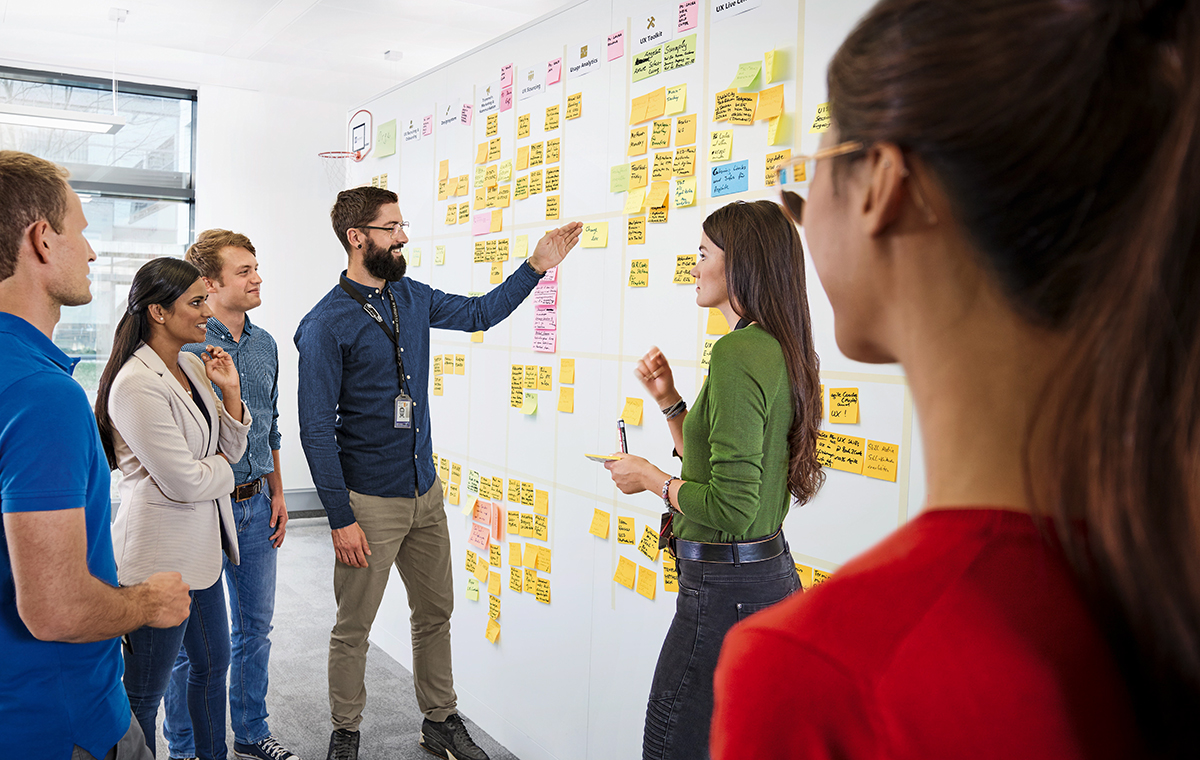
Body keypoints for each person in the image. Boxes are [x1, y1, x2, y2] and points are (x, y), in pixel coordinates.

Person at [712, 0, 1198, 757]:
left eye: (807, 183)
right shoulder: (1159, 579)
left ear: (882, 186)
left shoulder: (817, 670)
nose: (802, 222)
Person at [295, 186, 581, 760]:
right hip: (367, 501)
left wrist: (535, 266)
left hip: (423, 491)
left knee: (435, 614)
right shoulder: (325, 324)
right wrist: (340, 517)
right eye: (391, 227)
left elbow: (479, 312)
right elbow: (315, 430)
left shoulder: (411, 296)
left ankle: (440, 720)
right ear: (358, 238)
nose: (403, 236)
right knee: (355, 627)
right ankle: (345, 731)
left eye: (402, 225)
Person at [603, 200, 824, 760]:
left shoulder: (736, 353)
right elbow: (722, 468)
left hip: (726, 596)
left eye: (702, 253)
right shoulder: (775, 345)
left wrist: (650, 478)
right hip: (766, 580)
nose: (694, 265)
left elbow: (729, 505)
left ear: (739, 265)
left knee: (671, 743)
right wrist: (670, 402)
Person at [0, 150, 191, 760]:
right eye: (82, 231)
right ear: (42, 240)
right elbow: (54, 609)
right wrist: (146, 602)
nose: (91, 252)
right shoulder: (40, 393)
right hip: (60, 724)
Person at [96, 257, 252, 758]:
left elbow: (231, 446)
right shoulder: (135, 384)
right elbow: (186, 480)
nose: (209, 311)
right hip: (157, 560)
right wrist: (225, 472)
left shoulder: (189, 364)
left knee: (212, 667)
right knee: (144, 692)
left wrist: (230, 393)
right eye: (197, 302)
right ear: (159, 312)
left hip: (202, 554)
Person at [161, 230, 297, 760]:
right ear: (210, 283)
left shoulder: (263, 344)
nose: (257, 277)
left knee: (255, 629)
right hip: (201, 509)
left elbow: (270, 426)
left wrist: (278, 492)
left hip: (257, 501)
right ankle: (187, 746)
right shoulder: (188, 346)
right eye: (244, 271)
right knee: (188, 641)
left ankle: (251, 731)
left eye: (256, 267)